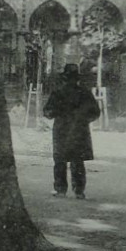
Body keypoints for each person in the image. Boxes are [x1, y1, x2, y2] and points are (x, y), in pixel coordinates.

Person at [42, 63, 101, 199]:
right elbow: (96, 112)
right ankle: (79, 191)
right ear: (77, 79)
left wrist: (57, 113)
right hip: (79, 130)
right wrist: (83, 119)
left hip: (61, 129)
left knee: (60, 159)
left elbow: (48, 112)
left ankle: (61, 189)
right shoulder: (85, 93)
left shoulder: (58, 93)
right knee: (78, 160)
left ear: (65, 78)